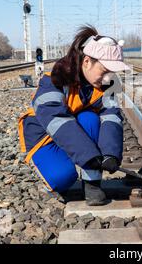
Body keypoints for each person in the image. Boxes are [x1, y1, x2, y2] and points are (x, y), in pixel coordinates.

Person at [18, 25, 130, 206]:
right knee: (63, 179)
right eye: (105, 70)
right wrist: (88, 155)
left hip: (73, 130)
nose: (108, 78)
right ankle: (58, 169)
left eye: (112, 72)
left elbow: (112, 116)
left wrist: (110, 154)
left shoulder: (106, 84)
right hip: (43, 134)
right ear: (87, 61)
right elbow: (56, 120)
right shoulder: (55, 79)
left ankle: (92, 184)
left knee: (90, 118)